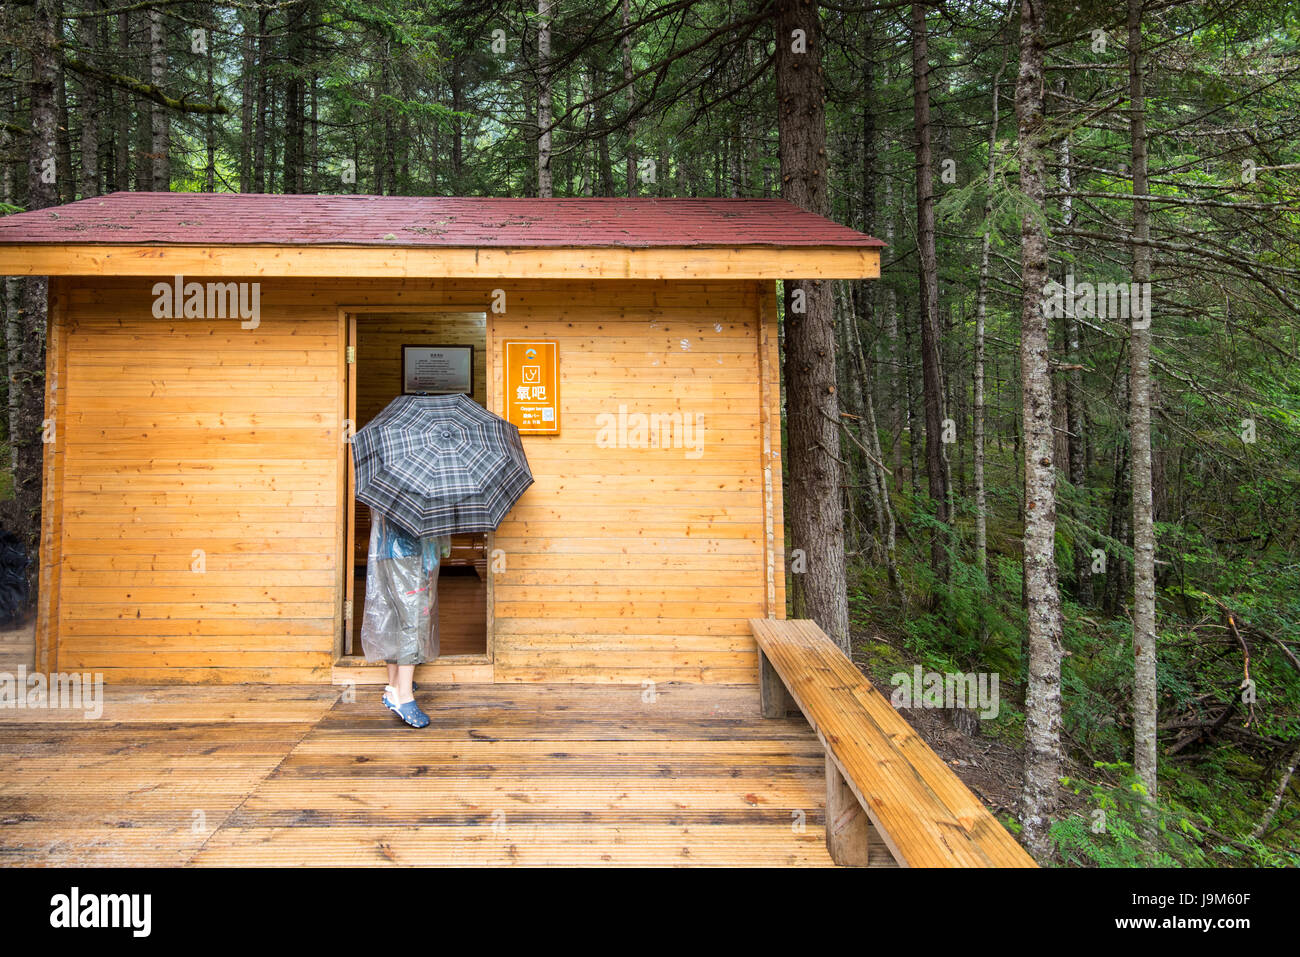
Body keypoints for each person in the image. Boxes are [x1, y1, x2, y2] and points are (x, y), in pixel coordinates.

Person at [360, 511, 450, 728]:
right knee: (413, 622)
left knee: (394, 617)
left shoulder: (391, 484)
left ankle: (393, 686)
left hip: (388, 552)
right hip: (408, 554)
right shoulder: (421, 485)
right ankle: (404, 696)